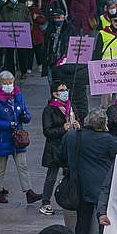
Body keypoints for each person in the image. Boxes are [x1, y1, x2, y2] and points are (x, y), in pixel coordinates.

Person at [61, 108, 117, 234]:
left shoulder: (71, 136)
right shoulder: (107, 140)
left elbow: (61, 156)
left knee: (82, 222)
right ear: (104, 124)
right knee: (104, 222)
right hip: (101, 187)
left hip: (79, 186)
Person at [0, 71, 41, 206]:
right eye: (5, 83)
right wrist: (7, 124)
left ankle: (29, 192)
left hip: (17, 138)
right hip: (1, 138)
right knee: (0, 167)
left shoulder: (17, 95)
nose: (8, 85)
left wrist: (25, 116)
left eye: (10, 82)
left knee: (22, 165)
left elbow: (26, 114)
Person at [39, 80, 77, 215]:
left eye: (66, 90)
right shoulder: (49, 110)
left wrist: (76, 127)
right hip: (54, 149)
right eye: (62, 90)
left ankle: (70, 199)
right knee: (51, 177)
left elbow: (74, 122)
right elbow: (47, 132)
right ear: (55, 93)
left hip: (68, 146)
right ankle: (45, 202)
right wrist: (63, 128)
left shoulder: (70, 107)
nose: (65, 93)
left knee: (71, 175)